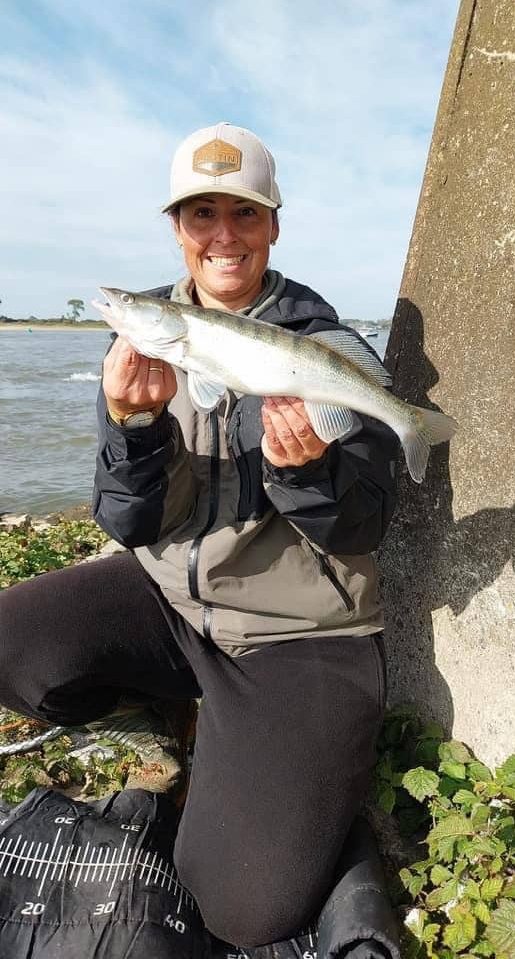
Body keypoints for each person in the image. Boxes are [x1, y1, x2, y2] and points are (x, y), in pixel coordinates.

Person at [0, 123, 399, 948]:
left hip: (298, 635)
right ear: (177, 229)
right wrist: (133, 427)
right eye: (200, 214)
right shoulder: (146, 335)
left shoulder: (326, 349)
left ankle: (292, 783)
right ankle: (177, 714)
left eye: (243, 214)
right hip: (174, 601)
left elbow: (366, 526)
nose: (223, 236)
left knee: (243, 907)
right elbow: (127, 518)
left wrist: (304, 472)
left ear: (274, 224)